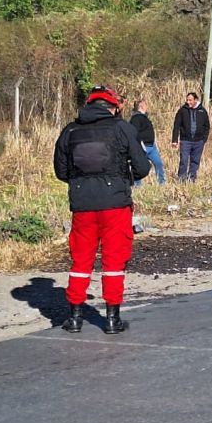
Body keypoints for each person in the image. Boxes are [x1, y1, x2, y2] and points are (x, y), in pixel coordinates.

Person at [53, 86, 150, 334]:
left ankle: (74, 318)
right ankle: (111, 319)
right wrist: (124, 177)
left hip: (82, 205)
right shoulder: (123, 128)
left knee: (81, 260)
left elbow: (61, 171)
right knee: (114, 260)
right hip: (115, 204)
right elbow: (142, 168)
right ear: (114, 106)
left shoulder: (70, 130)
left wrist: (83, 182)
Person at [171, 92, 210, 182]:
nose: (188, 102)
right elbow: (176, 125)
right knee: (184, 160)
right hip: (185, 141)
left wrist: (204, 139)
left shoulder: (202, 111)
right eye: (187, 100)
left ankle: (191, 179)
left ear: (195, 100)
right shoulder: (182, 111)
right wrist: (175, 140)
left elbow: (207, 126)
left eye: (190, 100)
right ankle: (181, 179)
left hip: (198, 141)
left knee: (195, 161)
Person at [129, 99, 165, 186]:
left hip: (151, 146)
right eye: (145, 105)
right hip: (142, 146)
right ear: (141, 106)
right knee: (139, 166)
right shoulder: (136, 118)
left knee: (158, 163)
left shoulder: (145, 117)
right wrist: (139, 144)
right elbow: (134, 132)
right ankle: (137, 185)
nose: (147, 107)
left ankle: (162, 182)